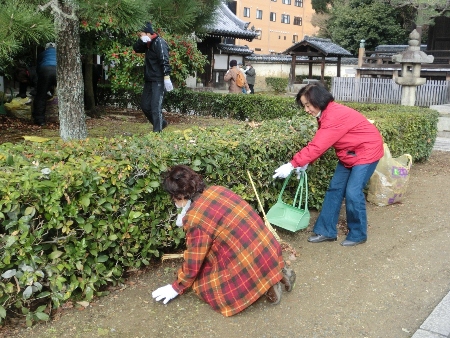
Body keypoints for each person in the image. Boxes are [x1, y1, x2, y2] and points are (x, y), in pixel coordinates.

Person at [152, 165, 296, 316]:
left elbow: (194, 260)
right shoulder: (217, 189)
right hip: (269, 248)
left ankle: (265, 283)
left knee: (205, 284)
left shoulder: (195, 218)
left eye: (173, 197)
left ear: (180, 196)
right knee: (239, 246)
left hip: (249, 261)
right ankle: (274, 272)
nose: (173, 201)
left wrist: (176, 287)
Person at [273, 83, 384, 247]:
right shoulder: (326, 114)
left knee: (353, 192)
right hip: (349, 153)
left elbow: (318, 145)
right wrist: (305, 162)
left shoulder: (333, 115)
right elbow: (323, 143)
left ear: (318, 101)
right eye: (304, 106)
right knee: (335, 189)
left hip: (367, 152)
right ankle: (326, 231)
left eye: (308, 105)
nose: (306, 109)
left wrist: (292, 164)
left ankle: (359, 233)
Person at [133, 22, 173, 132]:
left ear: (148, 33)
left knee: (156, 107)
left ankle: (157, 133)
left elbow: (164, 60)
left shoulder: (159, 42)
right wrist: (141, 40)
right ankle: (162, 123)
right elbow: (136, 48)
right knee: (145, 106)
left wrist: (166, 77)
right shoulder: (147, 43)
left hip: (159, 79)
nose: (140, 37)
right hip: (149, 79)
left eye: (141, 35)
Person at [32, 43, 57, 126]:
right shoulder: (59, 53)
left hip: (45, 70)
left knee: (41, 95)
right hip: (58, 70)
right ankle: (65, 118)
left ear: (46, 48)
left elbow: (38, 68)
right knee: (63, 95)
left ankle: (40, 120)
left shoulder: (42, 54)